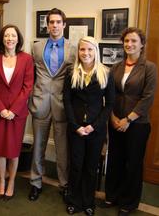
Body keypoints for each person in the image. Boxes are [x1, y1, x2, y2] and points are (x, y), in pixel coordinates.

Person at [101, 27, 157, 216]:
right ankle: (112, 195)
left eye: (134, 41)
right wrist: (113, 117)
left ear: (141, 44)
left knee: (132, 163)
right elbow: (110, 95)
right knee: (115, 160)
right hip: (115, 120)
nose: (129, 44)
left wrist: (128, 119)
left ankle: (128, 202)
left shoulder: (149, 68)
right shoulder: (116, 67)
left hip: (138, 124)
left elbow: (147, 98)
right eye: (126, 41)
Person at [63, 36, 115, 215]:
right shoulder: (71, 72)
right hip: (75, 127)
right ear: (78, 51)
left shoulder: (106, 73)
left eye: (90, 49)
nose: (86, 53)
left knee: (91, 167)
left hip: (96, 129)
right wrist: (75, 125)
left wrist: (94, 126)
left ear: (96, 51)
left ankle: (88, 202)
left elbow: (109, 104)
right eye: (82, 49)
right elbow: (67, 101)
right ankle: (73, 200)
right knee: (76, 165)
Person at [28, 8, 75, 201]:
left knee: (63, 149)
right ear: (47, 25)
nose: (54, 25)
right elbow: (29, 75)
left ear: (64, 25)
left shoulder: (74, 48)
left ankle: (64, 184)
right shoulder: (36, 47)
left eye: (58, 22)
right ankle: (35, 183)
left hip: (63, 105)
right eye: (51, 22)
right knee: (38, 146)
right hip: (40, 103)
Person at [0, 24, 34, 200]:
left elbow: (27, 86)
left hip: (18, 113)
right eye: (6, 35)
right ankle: (1, 181)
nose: (9, 39)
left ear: (18, 38)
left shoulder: (26, 59)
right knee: (0, 150)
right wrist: (0, 109)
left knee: (14, 150)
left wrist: (13, 110)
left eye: (13, 36)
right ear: (2, 38)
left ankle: (12, 181)